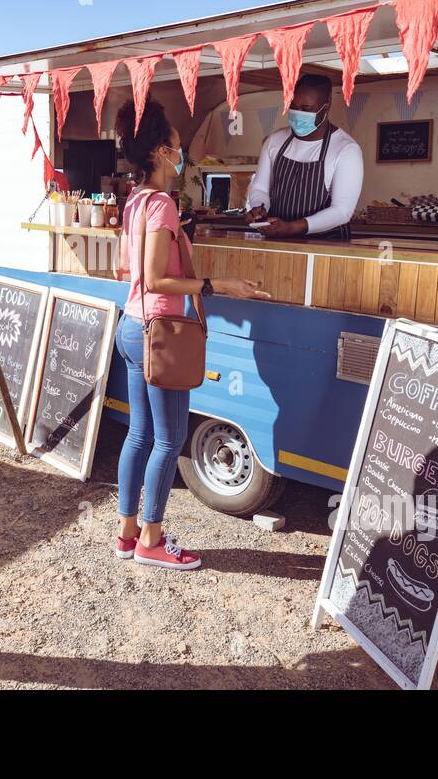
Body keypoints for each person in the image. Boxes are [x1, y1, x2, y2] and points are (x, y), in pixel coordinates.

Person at [114, 100, 269, 570]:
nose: (184, 157)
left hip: (132, 325)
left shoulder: (135, 200)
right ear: (161, 152)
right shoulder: (160, 205)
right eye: (179, 149)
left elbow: (130, 272)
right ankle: (152, 541)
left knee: (140, 434)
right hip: (160, 332)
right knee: (168, 439)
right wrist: (214, 285)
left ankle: (127, 534)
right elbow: (157, 278)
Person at [245, 72, 363, 239]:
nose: (298, 113)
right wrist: (259, 208)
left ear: (326, 107)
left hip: (326, 246)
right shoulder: (275, 141)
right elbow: (260, 188)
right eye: (293, 107)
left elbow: (342, 211)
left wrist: (293, 227)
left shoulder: (346, 149)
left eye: (306, 109)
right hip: (278, 240)